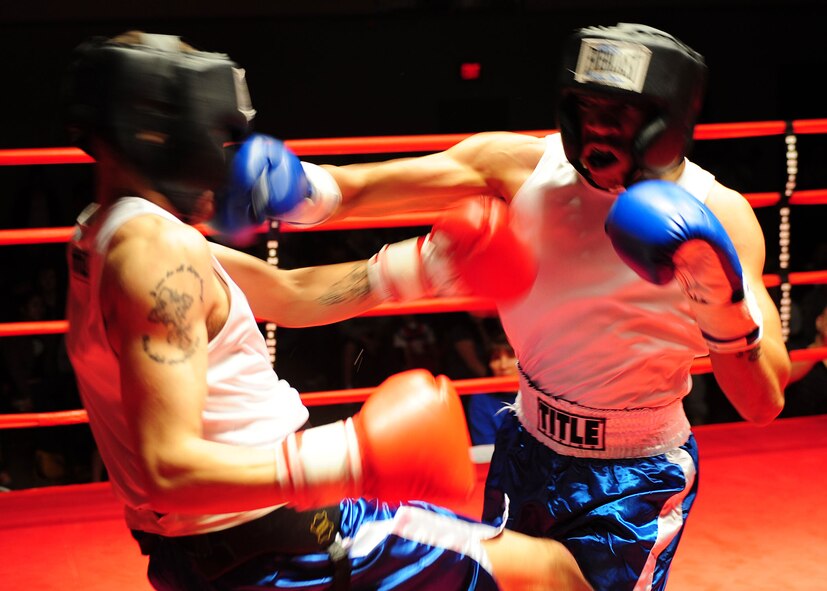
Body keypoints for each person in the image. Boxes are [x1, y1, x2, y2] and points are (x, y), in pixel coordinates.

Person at [255, 23, 791, 591]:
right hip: (526, 446)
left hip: (637, 473)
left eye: (621, 112)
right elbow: (354, 190)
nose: (597, 128)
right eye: (585, 106)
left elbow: (762, 401)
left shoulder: (720, 215)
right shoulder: (521, 166)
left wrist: (717, 295)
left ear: (669, 118)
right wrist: (289, 186)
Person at [60, 31, 592, 591]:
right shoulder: (154, 252)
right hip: (283, 536)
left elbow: (288, 295)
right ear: (158, 131)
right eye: (216, 134)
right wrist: (352, 456)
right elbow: (165, 470)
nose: (225, 153)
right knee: (550, 574)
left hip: (219, 545)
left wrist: (429, 265)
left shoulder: (102, 232)